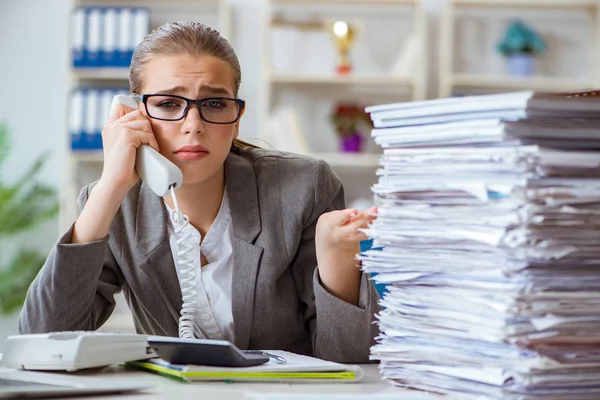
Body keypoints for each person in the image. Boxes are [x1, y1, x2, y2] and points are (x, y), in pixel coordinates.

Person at [18, 21, 380, 364]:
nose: (193, 126)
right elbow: (40, 339)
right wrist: (109, 189)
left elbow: (350, 360)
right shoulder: (113, 206)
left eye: (215, 104)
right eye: (168, 104)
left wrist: (337, 263)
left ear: (237, 118)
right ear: (132, 114)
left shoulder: (304, 187)